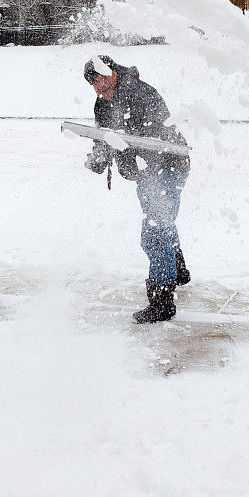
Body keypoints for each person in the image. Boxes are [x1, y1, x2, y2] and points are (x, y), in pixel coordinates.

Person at [83, 55, 190, 323]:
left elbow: (156, 136)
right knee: (162, 222)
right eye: (93, 83)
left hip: (167, 165)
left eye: (102, 78)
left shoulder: (141, 93)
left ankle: (162, 300)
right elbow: (104, 135)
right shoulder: (102, 104)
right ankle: (177, 269)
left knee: (154, 232)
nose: (99, 86)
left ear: (113, 71)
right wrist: (100, 157)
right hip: (145, 174)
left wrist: (130, 152)